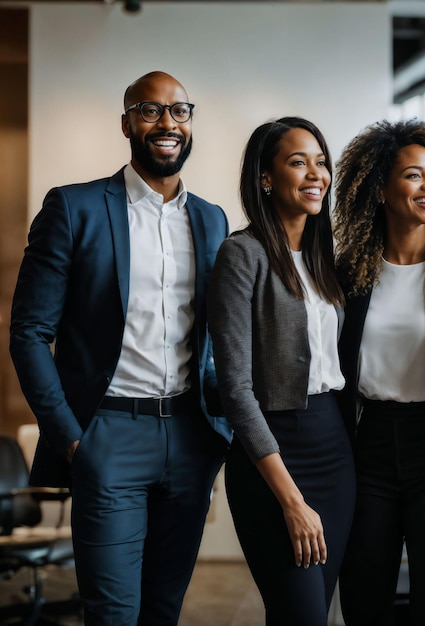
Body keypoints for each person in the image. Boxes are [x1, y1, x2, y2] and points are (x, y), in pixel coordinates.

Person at [9, 71, 231, 625]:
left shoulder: (211, 220)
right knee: (112, 613)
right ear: (127, 122)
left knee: (163, 608)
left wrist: (220, 427)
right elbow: (30, 332)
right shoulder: (73, 208)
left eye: (179, 111)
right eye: (151, 110)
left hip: (189, 438)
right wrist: (72, 439)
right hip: (106, 436)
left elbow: (215, 338)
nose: (167, 123)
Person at [207, 116, 356, 626]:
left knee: (312, 610)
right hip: (272, 456)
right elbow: (235, 388)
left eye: (320, 161)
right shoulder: (240, 254)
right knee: (302, 616)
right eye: (298, 162)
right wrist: (291, 501)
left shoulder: (324, 258)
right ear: (265, 178)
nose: (315, 173)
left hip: (333, 450)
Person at [333, 119, 425, 626]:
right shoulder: (345, 272)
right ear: (378, 188)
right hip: (367, 447)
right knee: (363, 603)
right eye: (414, 175)